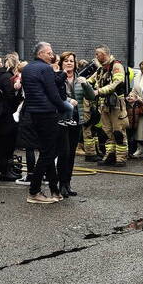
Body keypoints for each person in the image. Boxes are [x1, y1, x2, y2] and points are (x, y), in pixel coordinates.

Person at [20, 42, 73, 204]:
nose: (52, 55)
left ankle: (55, 191)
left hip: (33, 114)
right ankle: (34, 191)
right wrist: (65, 109)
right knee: (48, 153)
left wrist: (62, 74)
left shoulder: (28, 68)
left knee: (46, 151)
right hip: (48, 115)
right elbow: (53, 94)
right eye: (49, 53)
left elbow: (45, 86)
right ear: (41, 54)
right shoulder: (46, 68)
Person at [86, 44, 129, 167]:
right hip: (104, 105)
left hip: (116, 105)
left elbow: (117, 83)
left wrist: (98, 91)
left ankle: (121, 158)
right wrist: (82, 82)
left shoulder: (116, 66)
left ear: (104, 54)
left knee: (118, 132)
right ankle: (110, 155)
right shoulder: (101, 69)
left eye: (97, 54)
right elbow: (91, 80)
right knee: (107, 132)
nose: (95, 56)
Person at [0, 55, 23, 181]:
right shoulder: (6, 78)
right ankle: (5, 172)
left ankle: (6, 170)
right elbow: (10, 97)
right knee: (6, 144)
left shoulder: (2, 76)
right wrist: (20, 98)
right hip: (6, 116)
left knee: (4, 144)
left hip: (2, 116)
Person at [56, 52, 83, 197]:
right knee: (64, 152)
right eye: (66, 61)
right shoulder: (58, 77)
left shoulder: (79, 78)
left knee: (71, 153)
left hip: (77, 118)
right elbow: (55, 94)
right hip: (63, 118)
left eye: (71, 61)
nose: (69, 63)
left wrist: (87, 85)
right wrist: (67, 100)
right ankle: (61, 184)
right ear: (61, 63)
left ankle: (68, 183)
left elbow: (89, 96)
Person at [128, 59, 143, 158]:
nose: (142, 72)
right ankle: (140, 148)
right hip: (140, 106)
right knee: (140, 128)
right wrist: (131, 96)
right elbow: (134, 89)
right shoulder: (138, 76)